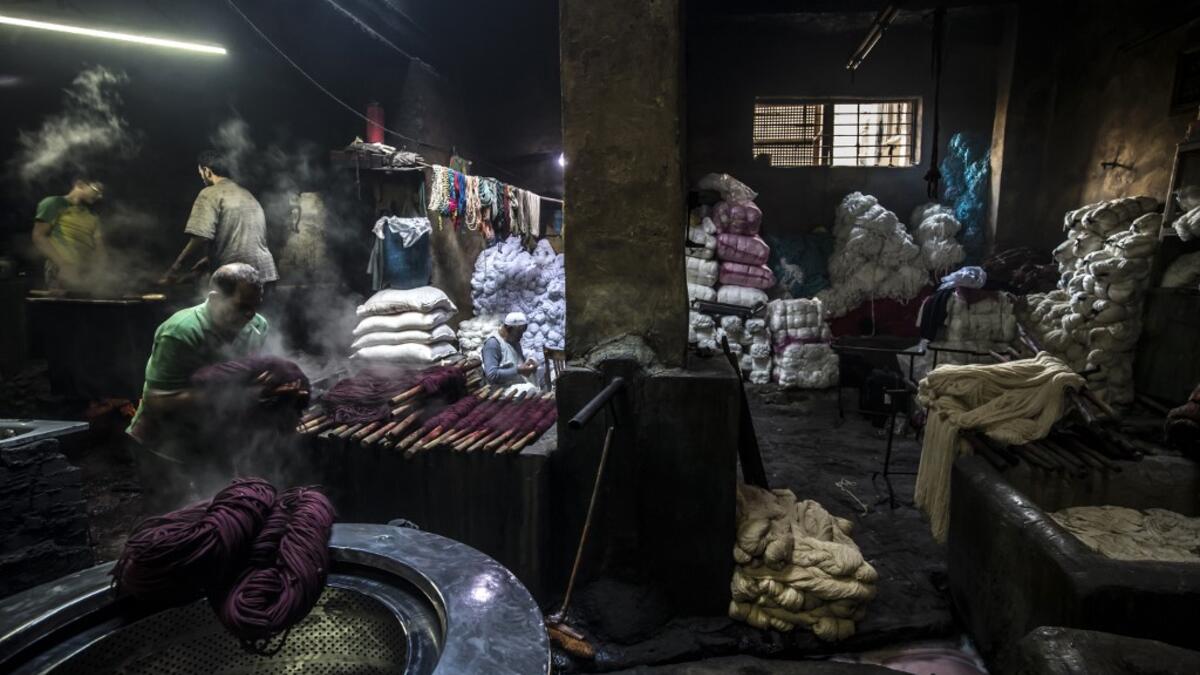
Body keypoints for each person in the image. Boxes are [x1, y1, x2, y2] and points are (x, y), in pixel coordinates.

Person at [128, 263, 297, 509]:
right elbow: (158, 399)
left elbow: (247, 376)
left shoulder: (257, 327)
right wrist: (234, 394)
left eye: (254, 306)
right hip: (165, 443)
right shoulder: (180, 332)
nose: (250, 315)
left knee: (221, 510)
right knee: (170, 517)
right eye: (242, 307)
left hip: (212, 439)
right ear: (215, 298)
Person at [159, 150, 278, 286]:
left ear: (207, 171)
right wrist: (209, 260)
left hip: (237, 278)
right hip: (266, 274)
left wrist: (175, 268)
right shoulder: (248, 195)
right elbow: (248, 241)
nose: (202, 178)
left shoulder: (209, 193)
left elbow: (200, 237)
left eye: (201, 174)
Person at [31, 177, 106, 288]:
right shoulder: (54, 203)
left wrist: (101, 271)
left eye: (101, 193)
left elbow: (99, 248)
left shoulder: (93, 216)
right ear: (80, 184)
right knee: (63, 305)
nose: (99, 196)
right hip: (61, 269)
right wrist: (63, 265)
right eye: (96, 190)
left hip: (85, 273)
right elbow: (39, 236)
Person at [482, 312, 539, 387]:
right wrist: (518, 370)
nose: (521, 336)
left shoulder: (513, 341)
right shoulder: (492, 344)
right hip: (504, 393)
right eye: (519, 332)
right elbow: (491, 375)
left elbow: (515, 361)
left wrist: (528, 363)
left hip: (520, 388)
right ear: (508, 329)